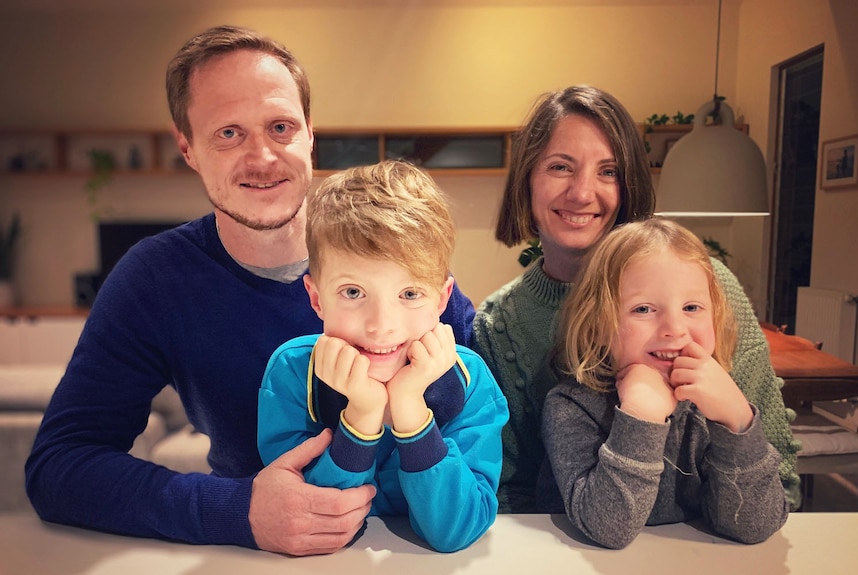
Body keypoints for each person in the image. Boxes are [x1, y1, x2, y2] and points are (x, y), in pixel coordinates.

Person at [24, 26, 477, 556]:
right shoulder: (155, 279)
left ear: (311, 134)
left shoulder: (397, 259)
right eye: (228, 134)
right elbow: (60, 464)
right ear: (188, 148)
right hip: (248, 559)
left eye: (281, 127)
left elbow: (481, 442)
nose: (262, 157)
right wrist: (236, 509)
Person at [470, 85, 800, 514]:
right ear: (526, 180)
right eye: (560, 167)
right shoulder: (499, 324)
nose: (583, 193)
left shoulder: (709, 285)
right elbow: (507, 493)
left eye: (608, 171)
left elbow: (779, 482)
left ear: (629, 186)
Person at [257, 160, 508, 552]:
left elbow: (457, 530)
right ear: (317, 298)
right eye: (353, 292)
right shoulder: (292, 374)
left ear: (442, 300)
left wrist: (410, 410)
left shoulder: (468, 378)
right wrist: (362, 415)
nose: (381, 326)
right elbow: (313, 521)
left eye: (409, 294)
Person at [539, 218, 789, 549]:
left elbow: (755, 526)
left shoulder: (716, 401)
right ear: (598, 324)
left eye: (691, 307)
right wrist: (641, 416)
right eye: (643, 308)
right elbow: (608, 530)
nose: (674, 328)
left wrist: (737, 421)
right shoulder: (571, 407)